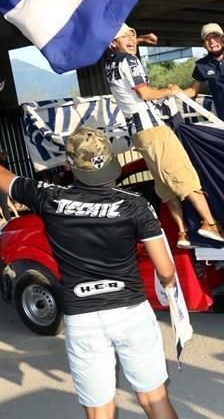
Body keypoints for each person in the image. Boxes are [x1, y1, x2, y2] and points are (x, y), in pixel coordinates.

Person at [0, 127, 178, 419]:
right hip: (131, 313)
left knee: (100, 411)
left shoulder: (48, 197)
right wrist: (169, 287)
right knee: (153, 398)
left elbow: (4, 178)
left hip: (83, 320)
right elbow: (166, 270)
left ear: (70, 166)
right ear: (109, 161)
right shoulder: (135, 205)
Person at [105, 23, 224, 248]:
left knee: (164, 184)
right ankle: (209, 223)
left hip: (138, 133)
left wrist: (139, 39)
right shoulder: (130, 61)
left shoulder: (110, 64)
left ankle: (183, 233)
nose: (131, 39)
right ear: (114, 42)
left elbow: (122, 46)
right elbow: (144, 93)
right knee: (185, 176)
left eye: (132, 35)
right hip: (153, 128)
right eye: (126, 36)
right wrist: (170, 91)